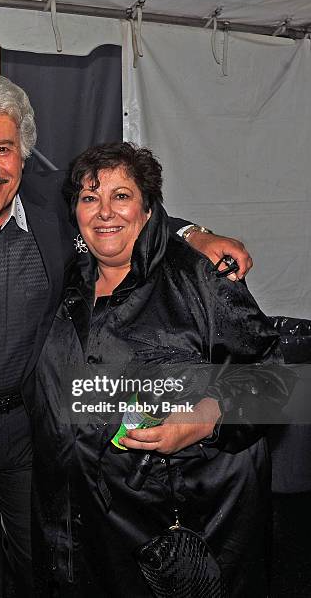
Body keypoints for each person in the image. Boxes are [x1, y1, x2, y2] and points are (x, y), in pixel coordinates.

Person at [0, 73, 254, 597]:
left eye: (3, 149)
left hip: (34, 438)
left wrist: (197, 234)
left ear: (24, 154)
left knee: (44, 565)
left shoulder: (56, 213)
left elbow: (124, 213)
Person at [26, 142, 282, 597]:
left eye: (121, 196)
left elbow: (278, 380)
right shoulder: (71, 277)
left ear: (147, 210)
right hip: (90, 522)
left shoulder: (198, 279)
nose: (105, 211)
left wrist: (207, 418)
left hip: (181, 527)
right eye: (90, 198)